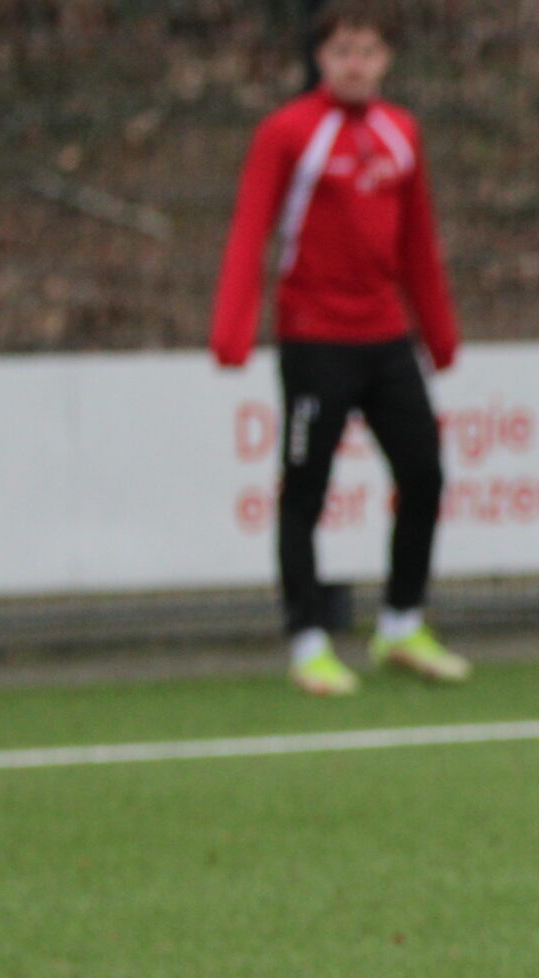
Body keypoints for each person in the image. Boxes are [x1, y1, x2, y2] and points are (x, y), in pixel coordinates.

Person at [211, 3, 467, 697]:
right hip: (315, 340)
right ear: (321, 58)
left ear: (387, 59)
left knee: (424, 475)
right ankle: (308, 639)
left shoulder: (400, 132)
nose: (356, 63)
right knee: (305, 490)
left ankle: (401, 623)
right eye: (343, 50)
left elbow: (418, 241)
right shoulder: (288, 133)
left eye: (368, 50)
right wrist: (233, 329)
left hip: (386, 338)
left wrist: (439, 334)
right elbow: (250, 230)